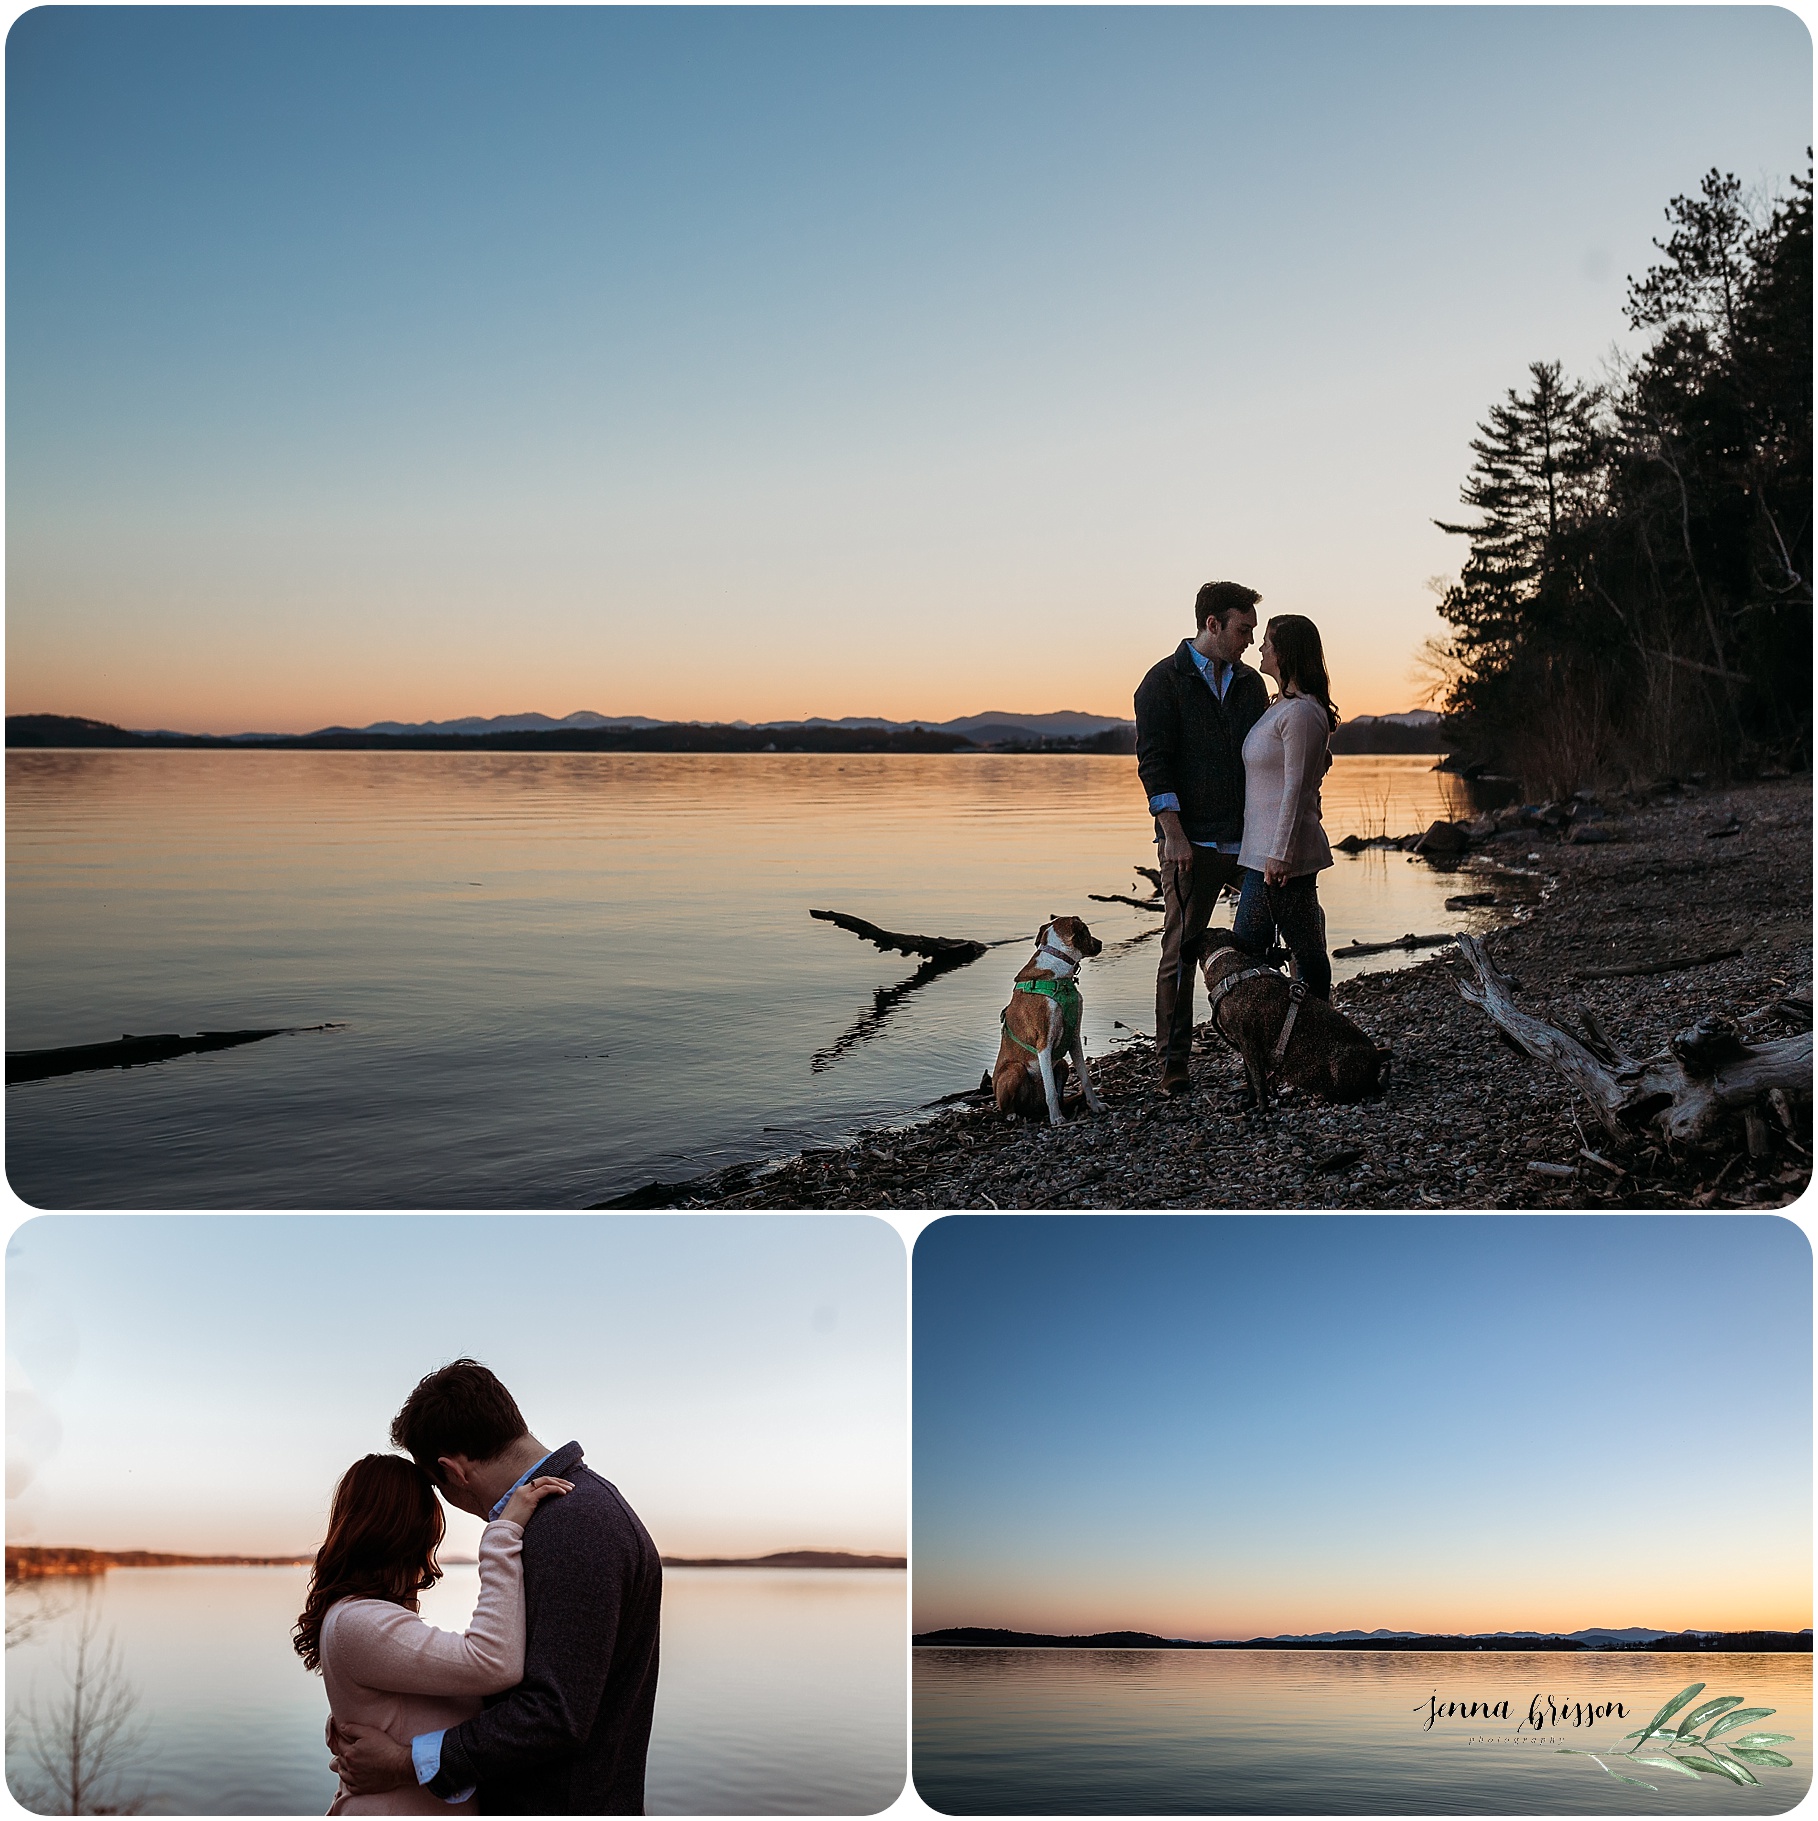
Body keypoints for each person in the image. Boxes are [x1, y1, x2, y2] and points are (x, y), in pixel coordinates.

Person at [328, 1360, 664, 1816]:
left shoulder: (573, 1524)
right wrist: (381, 1706)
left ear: (452, 1472)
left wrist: (407, 1761)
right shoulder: (566, 1514)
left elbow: (554, 1714)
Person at [295, 1454, 573, 1815]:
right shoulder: (360, 1621)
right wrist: (502, 1536)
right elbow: (492, 1662)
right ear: (410, 1529)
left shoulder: (364, 1616)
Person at [1134, 580, 1270, 1093]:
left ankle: (1284, 1044)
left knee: (1277, 936)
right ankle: (1172, 1068)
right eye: (1242, 629)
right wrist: (1173, 835)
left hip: (1251, 842)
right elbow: (1154, 765)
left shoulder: (1251, 685)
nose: (1250, 641)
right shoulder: (1161, 682)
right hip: (1192, 845)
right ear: (1212, 624)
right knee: (1181, 950)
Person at [1232, 613, 1337, 1000]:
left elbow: (1295, 788)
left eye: (1269, 642)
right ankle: (1300, 1031)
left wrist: (1280, 855)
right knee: (1298, 947)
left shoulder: (1302, 712)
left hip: (1281, 861)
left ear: (1286, 653)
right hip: (1263, 855)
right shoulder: (1281, 707)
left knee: (1258, 953)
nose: (1261, 647)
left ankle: (1312, 1030)